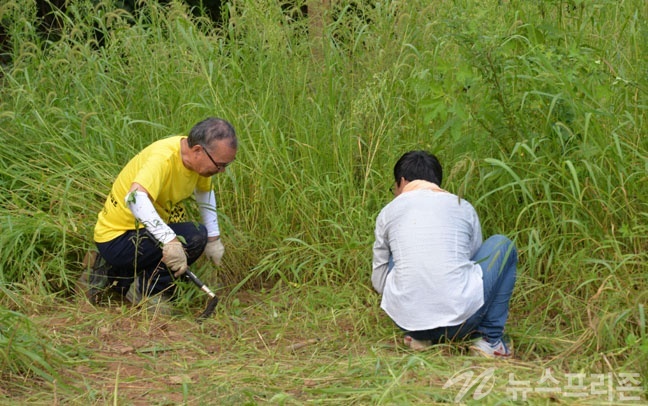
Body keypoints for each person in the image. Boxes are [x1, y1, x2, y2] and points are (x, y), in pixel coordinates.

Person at [79, 117, 237, 314]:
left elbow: (205, 193)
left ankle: (114, 273)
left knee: (196, 234)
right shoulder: (163, 158)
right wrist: (170, 240)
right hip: (117, 237)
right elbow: (135, 198)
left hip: (141, 233)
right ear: (198, 150)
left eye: (226, 166)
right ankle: (147, 292)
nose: (221, 171)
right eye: (220, 164)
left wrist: (214, 238)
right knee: (193, 236)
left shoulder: (196, 162)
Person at [371, 150, 517, 357]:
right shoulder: (463, 207)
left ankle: (420, 337)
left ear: (402, 181)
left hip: (408, 322)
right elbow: (474, 264)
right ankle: (490, 340)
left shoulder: (388, 212)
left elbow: (379, 281)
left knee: (398, 252)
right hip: (463, 322)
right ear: (437, 182)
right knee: (503, 244)